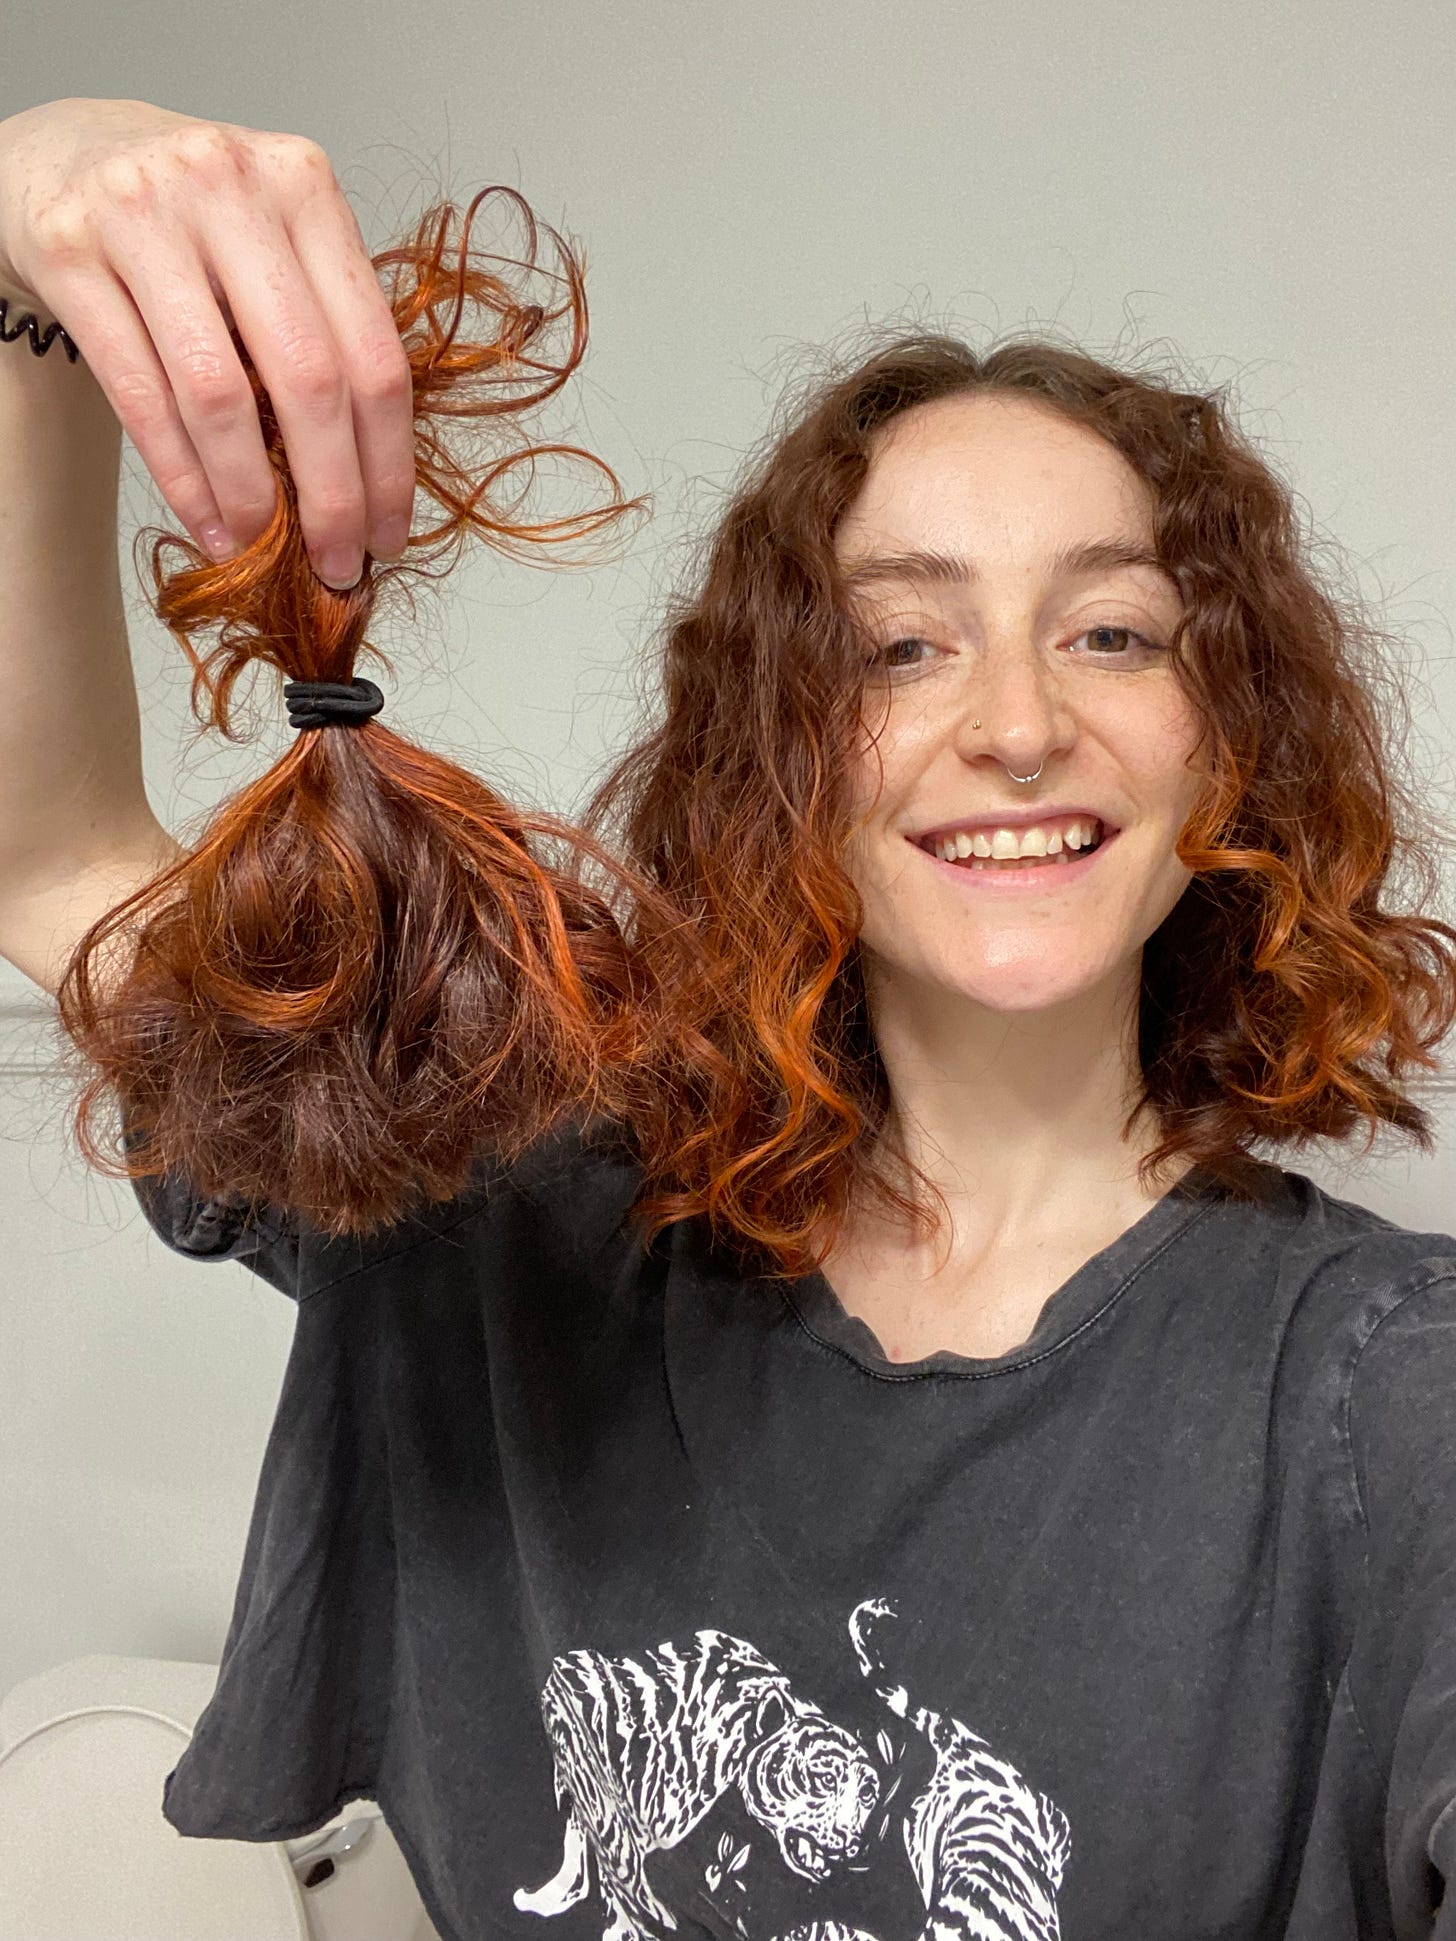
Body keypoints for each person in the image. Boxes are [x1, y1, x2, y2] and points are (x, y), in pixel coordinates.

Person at [2, 95, 1456, 1941]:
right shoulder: (512, 1209)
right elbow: (52, 856)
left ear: (1231, 736)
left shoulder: (1386, 1400)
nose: (1017, 722)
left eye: (1116, 631)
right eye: (899, 644)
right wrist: (17, 235)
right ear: (780, 751)